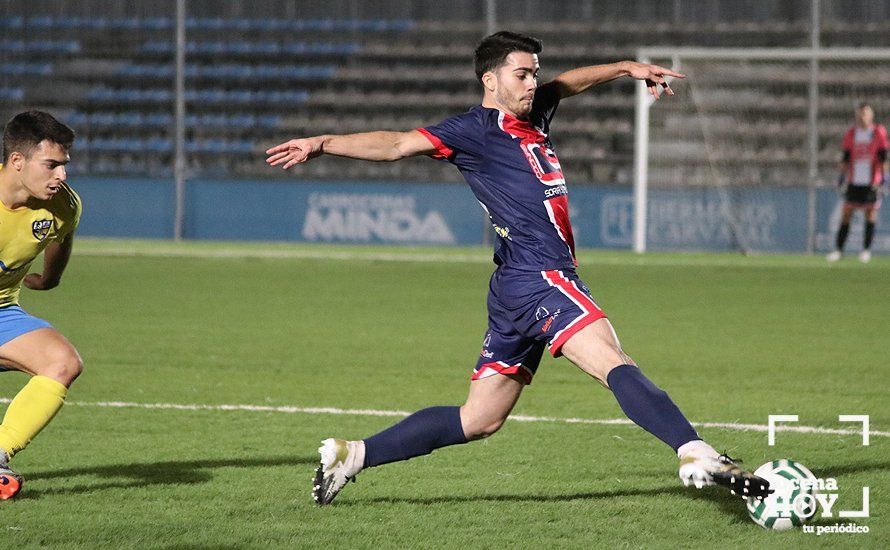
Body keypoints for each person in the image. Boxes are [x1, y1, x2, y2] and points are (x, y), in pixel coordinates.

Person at [266, 31, 770, 506]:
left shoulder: (536, 115)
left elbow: (568, 83)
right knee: (614, 361)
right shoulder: (474, 130)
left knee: (479, 419)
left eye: (534, 74)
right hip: (540, 277)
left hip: (513, 286)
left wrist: (624, 68)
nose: (533, 83)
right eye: (522, 74)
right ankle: (696, 453)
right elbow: (397, 144)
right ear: (491, 80)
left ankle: (352, 454)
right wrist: (323, 141)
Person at [0, 111, 83, 500]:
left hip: (2, 312)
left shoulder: (62, 205)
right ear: (17, 162)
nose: (61, 175)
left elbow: (60, 238)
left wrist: (50, 279)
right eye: (51, 165)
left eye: (64, 165)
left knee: (62, 362)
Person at [827, 102, 889, 263]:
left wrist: (884, 178)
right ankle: (839, 250)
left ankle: (866, 250)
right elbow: (846, 157)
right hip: (854, 180)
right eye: (860, 113)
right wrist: (841, 176)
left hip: (871, 180)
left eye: (865, 113)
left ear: (871, 115)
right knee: (846, 213)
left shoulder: (878, 132)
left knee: (870, 214)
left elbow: (883, 157)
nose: (862, 117)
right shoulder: (851, 133)